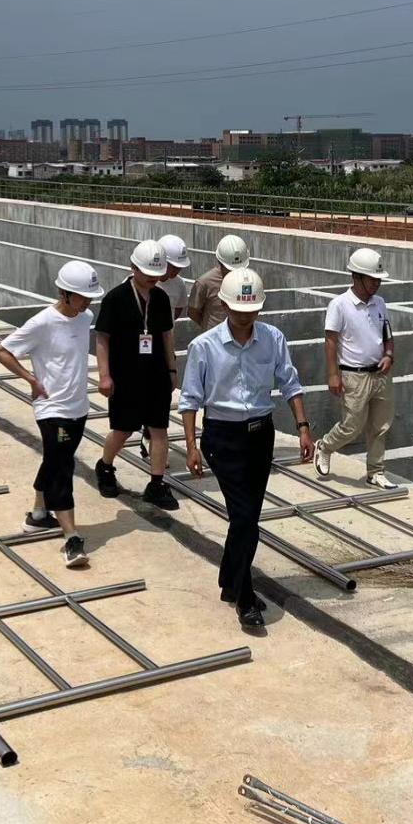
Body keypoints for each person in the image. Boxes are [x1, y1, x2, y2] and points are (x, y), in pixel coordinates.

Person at [180, 267, 314, 631]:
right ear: (223, 306)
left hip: (259, 435)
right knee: (244, 518)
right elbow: (190, 401)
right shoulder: (204, 346)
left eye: (252, 309)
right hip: (222, 438)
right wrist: (191, 447)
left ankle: (228, 581)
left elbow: (290, 383)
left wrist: (303, 427)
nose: (245, 316)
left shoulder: (272, 339)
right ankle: (244, 596)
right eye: (239, 310)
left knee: (247, 518)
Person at [0, 261, 104, 569]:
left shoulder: (86, 318)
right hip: (52, 408)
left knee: (55, 458)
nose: (88, 302)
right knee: (63, 466)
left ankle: (38, 515)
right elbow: (1, 351)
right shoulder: (43, 322)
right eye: (83, 296)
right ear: (64, 293)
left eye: (90, 297)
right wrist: (31, 379)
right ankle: (72, 538)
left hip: (79, 407)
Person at [94, 240, 180, 510]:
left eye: (157, 274)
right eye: (148, 274)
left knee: (159, 429)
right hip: (125, 374)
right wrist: (104, 376)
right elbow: (102, 338)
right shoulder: (116, 298)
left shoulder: (161, 298)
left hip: (155, 374)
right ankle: (105, 466)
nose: (154, 279)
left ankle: (156, 482)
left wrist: (172, 369)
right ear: (133, 268)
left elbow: (166, 335)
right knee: (123, 429)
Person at [315, 247, 395, 488]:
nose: (377, 284)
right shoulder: (339, 305)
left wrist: (389, 354)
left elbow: (388, 334)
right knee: (352, 426)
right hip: (354, 375)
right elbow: (330, 341)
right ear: (357, 276)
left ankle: (376, 471)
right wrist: (333, 375)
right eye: (372, 279)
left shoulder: (379, 303)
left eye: (379, 279)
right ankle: (325, 446)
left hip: (380, 374)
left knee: (381, 426)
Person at [141, 233, 192, 462]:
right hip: (140, 349)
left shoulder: (178, 284)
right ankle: (147, 428)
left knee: (160, 394)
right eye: (173, 267)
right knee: (143, 392)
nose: (176, 272)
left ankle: (151, 434)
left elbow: (178, 310)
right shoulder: (138, 281)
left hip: (163, 347)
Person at [187, 234, 250, 334]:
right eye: (229, 269)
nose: (234, 272)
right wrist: (212, 330)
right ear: (220, 261)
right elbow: (193, 311)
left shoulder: (249, 280)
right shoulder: (205, 283)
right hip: (214, 342)